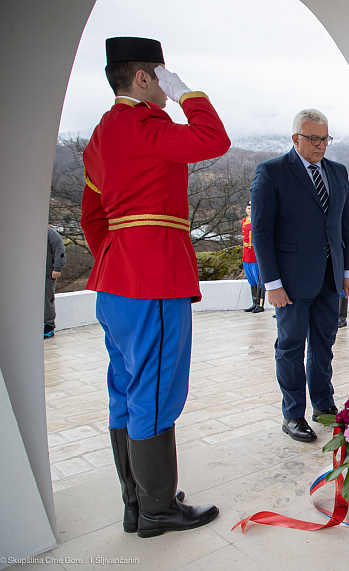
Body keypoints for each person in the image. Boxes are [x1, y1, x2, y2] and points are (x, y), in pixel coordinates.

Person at [81, 36, 230, 538]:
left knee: (124, 388)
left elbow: (92, 217)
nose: (166, 88)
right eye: (161, 77)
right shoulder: (145, 123)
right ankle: (159, 509)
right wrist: (188, 93)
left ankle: (136, 503)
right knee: (157, 391)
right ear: (144, 78)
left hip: (115, 277)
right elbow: (213, 140)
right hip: (153, 277)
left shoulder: (101, 133)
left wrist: (113, 257)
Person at [251, 109, 349, 443]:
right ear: (296, 139)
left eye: (325, 138)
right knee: (291, 347)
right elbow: (261, 233)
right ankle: (293, 413)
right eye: (313, 139)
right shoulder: (272, 172)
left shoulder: (338, 173)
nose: (321, 145)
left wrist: (347, 271)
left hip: (329, 278)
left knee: (324, 344)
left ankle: (323, 405)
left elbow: (343, 227)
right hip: (291, 282)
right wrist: (272, 284)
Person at [242, 200, 264, 313]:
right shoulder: (244, 221)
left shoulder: (258, 220)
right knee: (251, 280)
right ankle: (254, 302)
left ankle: (260, 304)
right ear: (246, 209)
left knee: (258, 279)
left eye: (252, 208)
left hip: (255, 255)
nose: (250, 210)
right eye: (248, 208)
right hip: (247, 255)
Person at [44, 225, 66, 338]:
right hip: (34, 274)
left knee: (47, 300)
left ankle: (49, 326)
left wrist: (57, 268)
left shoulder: (50, 233)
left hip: (48, 273)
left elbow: (59, 250)